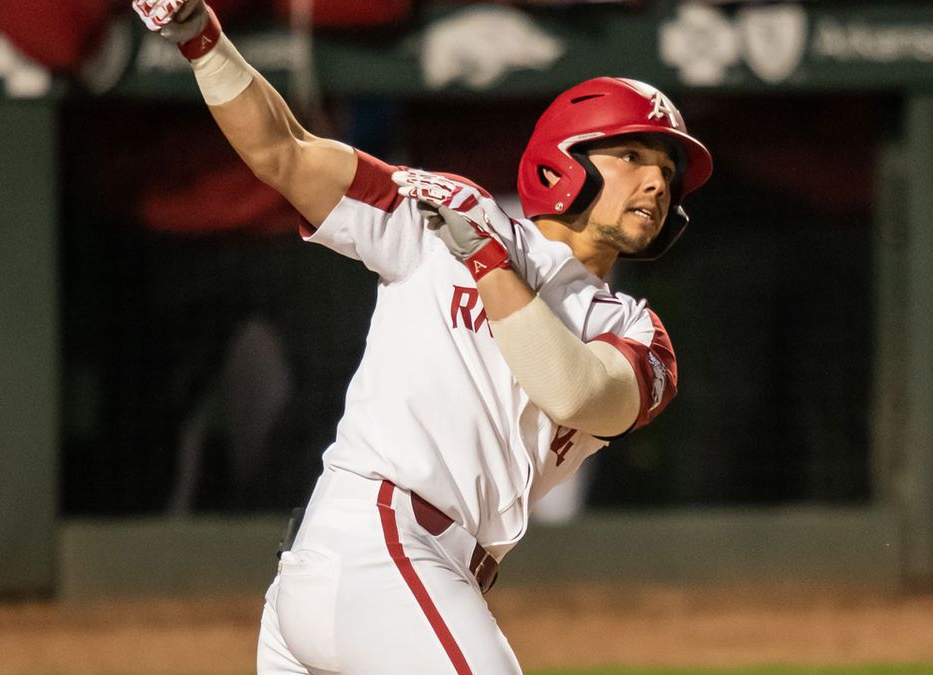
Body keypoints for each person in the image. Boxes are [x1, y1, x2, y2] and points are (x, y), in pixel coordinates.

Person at [133, 0, 713, 672]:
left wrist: (490, 266)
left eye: (668, 173)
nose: (656, 181)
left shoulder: (635, 331)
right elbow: (285, 155)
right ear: (564, 161)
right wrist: (200, 38)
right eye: (634, 155)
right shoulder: (448, 221)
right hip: (377, 543)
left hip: (422, 574)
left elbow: (577, 393)